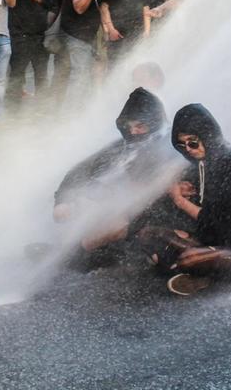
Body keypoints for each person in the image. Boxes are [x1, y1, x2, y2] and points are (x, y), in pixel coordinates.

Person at [137, 104, 231, 296]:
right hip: (211, 241)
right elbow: (206, 200)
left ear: (208, 136)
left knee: (188, 259)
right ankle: (191, 271)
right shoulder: (204, 161)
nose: (188, 149)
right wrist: (187, 190)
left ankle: (196, 274)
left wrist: (181, 202)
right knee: (147, 235)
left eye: (193, 142)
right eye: (182, 145)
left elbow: (221, 221)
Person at [53, 88, 181, 267]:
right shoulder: (120, 146)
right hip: (116, 205)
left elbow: (156, 194)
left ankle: (77, 254)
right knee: (78, 206)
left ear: (154, 123)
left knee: (117, 225)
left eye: (140, 126)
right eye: (128, 127)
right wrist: (62, 201)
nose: (133, 132)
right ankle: (82, 250)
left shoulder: (172, 150)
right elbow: (81, 170)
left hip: (152, 215)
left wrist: (123, 215)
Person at [7, 0, 55, 108]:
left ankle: (40, 108)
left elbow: (52, 3)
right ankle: (13, 109)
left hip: (39, 35)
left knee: (41, 74)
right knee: (17, 75)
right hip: (20, 35)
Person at [59, 0, 104, 111]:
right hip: (77, 37)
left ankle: (79, 111)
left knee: (84, 76)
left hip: (85, 38)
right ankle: (69, 114)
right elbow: (79, 8)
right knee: (79, 75)